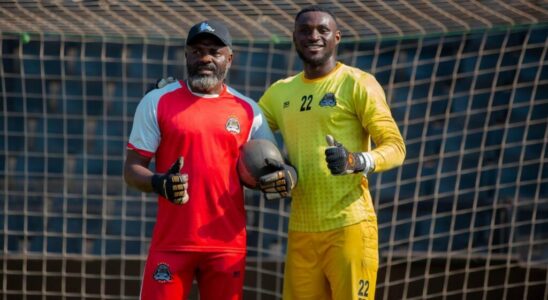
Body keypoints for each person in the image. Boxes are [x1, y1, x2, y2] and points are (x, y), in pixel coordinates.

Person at [123, 20, 296, 300]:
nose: (205, 58)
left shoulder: (249, 110)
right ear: (186, 55)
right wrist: (159, 183)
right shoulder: (157, 101)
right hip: (171, 244)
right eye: (197, 50)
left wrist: (283, 178)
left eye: (214, 52)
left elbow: (269, 172)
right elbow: (131, 170)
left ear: (229, 58)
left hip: (226, 246)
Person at [257, 5, 406, 300]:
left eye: (322, 30)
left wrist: (356, 160)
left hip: (349, 226)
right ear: (295, 38)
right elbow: (243, 130)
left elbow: (396, 147)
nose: (314, 36)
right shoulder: (279, 92)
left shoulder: (357, 82)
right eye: (305, 31)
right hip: (301, 230)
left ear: (337, 37)